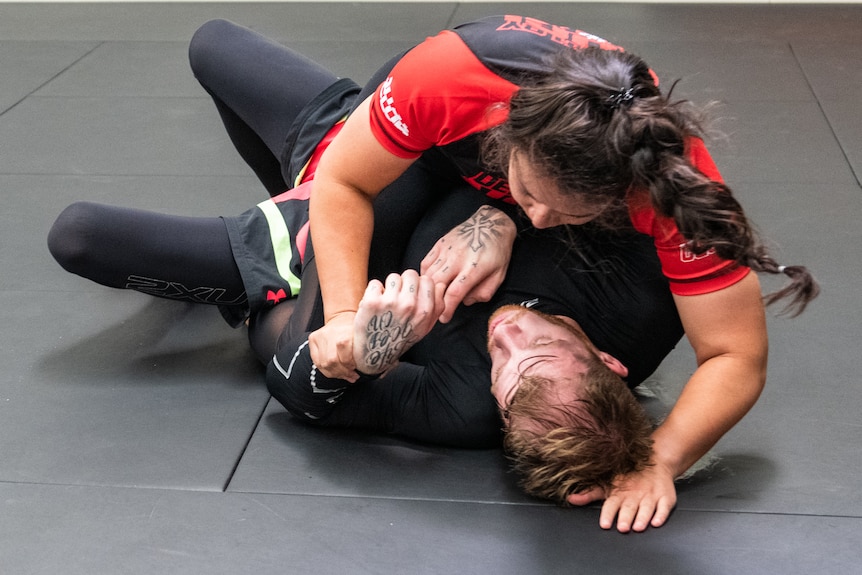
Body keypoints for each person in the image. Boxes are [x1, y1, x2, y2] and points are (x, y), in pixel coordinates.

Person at [53, 15, 820, 532]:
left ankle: (281, 219)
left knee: (80, 237)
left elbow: (734, 352)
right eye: (533, 199)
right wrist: (491, 223)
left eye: (572, 216)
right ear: (613, 363)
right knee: (210, 42)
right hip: (391, 156)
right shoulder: (453, 83)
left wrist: (347, 336)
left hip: (334, 234)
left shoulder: (664, 188)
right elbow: (354, 184)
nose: (507, 340)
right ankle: (296, 186)